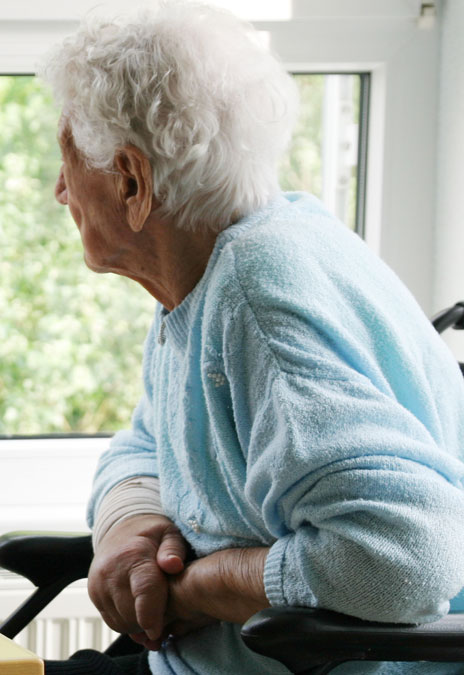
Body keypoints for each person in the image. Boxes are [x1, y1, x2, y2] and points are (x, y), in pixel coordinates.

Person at [39, 2, 464, 674]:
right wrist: (130, 527)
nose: (61, 189)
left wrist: (206, 586)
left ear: (132, 180)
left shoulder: (255, 300)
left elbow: (412, 555)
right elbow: (150, 439)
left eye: (68, 158)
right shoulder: (213, 267)